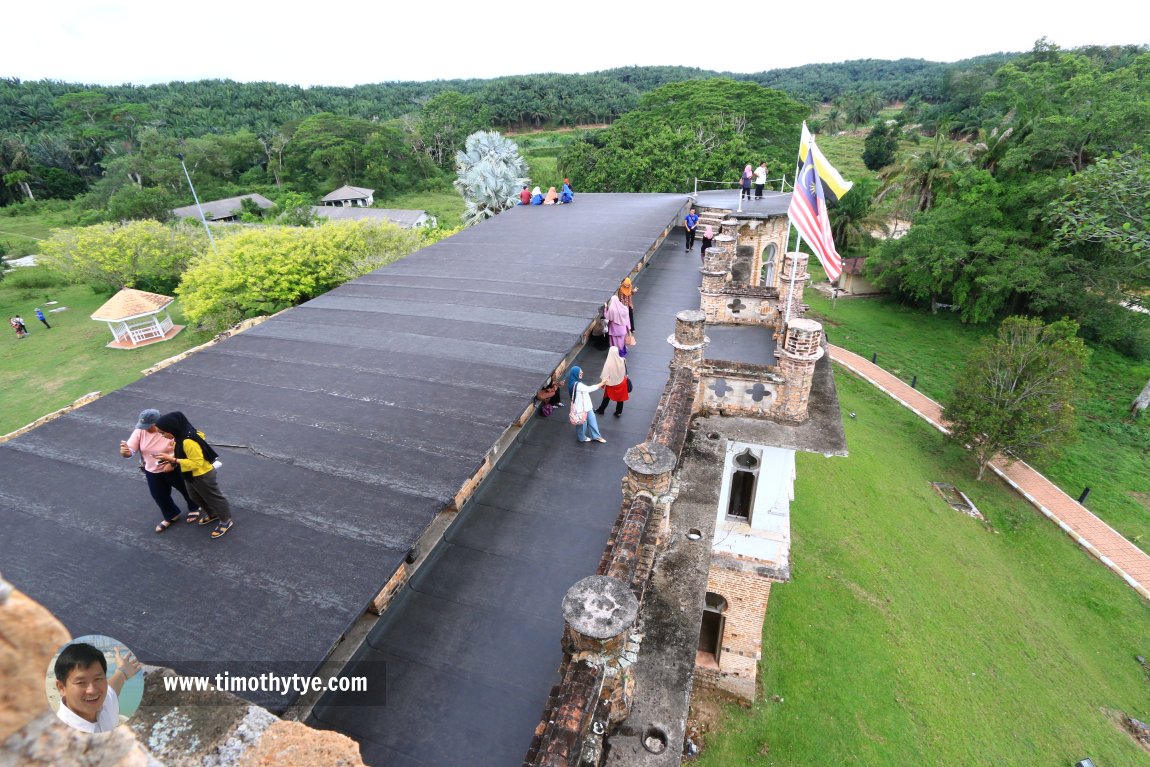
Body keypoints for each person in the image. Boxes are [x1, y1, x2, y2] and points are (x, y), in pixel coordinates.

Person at [154, 411, 234, 539]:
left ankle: (226, 520)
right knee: (194, 496)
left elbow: (197, 463)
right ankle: (212, 513)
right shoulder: (182, 436)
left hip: (202, 475)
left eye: (163, 433)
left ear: (172, 428)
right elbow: (187, 453)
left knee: (213, 497)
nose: (162, 436)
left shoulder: (187, 441)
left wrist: (173, 460)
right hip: (190, 474)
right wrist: (171, 457)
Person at [120, 408, 200, 533]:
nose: (145, 429)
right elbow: (130, 451)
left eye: (148, 426)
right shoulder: (140, 431)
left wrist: (172, 462)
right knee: (158, 494)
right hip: (152, 469)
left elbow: (183, 447)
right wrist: (125, 452)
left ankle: (194, 507)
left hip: (174, 466)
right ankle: (171, 514)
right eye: (142, 425)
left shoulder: (169, 430)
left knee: (185, 489)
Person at [54, 642, 140, 733]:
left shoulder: (104, 703)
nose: (92, 690)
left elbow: (113, 687)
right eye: (81, 682)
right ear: (61, 687)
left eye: (98, 679)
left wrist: (123, 671)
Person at [567, 366, 607, 443]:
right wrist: (602, 383)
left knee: (592, 420)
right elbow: (589, 389)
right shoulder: (577, 385)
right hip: (580, 408)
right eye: (580, 372)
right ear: (575, 373)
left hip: (587, 407)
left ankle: (596, 436)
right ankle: (581, 438)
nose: (582, 372)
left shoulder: (576, 382)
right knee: (582, 423)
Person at [594, 346, 629, 417]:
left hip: (611, 384)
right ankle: (618, 412)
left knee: (606, 397)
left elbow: (605, 374)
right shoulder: (623, 360)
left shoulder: (609, 364)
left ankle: (601, 409)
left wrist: (603, 383)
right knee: (620, 399)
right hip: (621, 382)